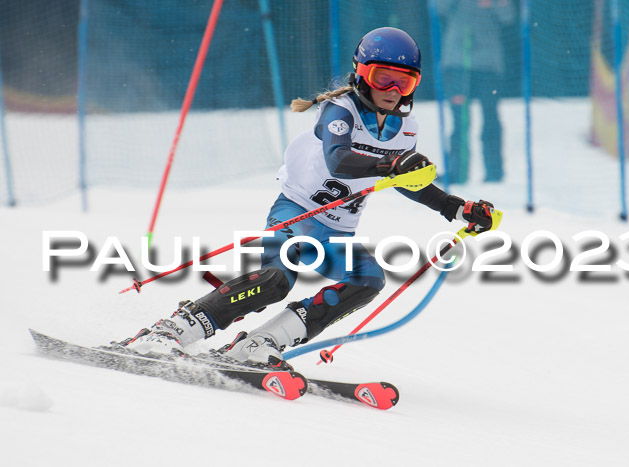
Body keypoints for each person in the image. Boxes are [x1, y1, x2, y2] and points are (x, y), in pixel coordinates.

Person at [121, 27, 497, 368]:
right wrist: (392, 162)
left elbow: (406, 180)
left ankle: (261, 343)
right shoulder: (341, 109)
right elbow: (339, 159)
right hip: (297, 212)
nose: (392, 91)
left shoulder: (405, 128)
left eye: (404, 82)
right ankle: (171, 330)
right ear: (361, 74)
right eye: (383, 78)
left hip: (337, 232)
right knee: (275, 280)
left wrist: (456, 207)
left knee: (368, 279)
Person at [437, 0, 515, 183]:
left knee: (490, 117)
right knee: (460, 120)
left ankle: (494, 173)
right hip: (457, 62)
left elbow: (508, 17)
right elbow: (439, 8)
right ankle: (457, 172)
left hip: (489, 64)